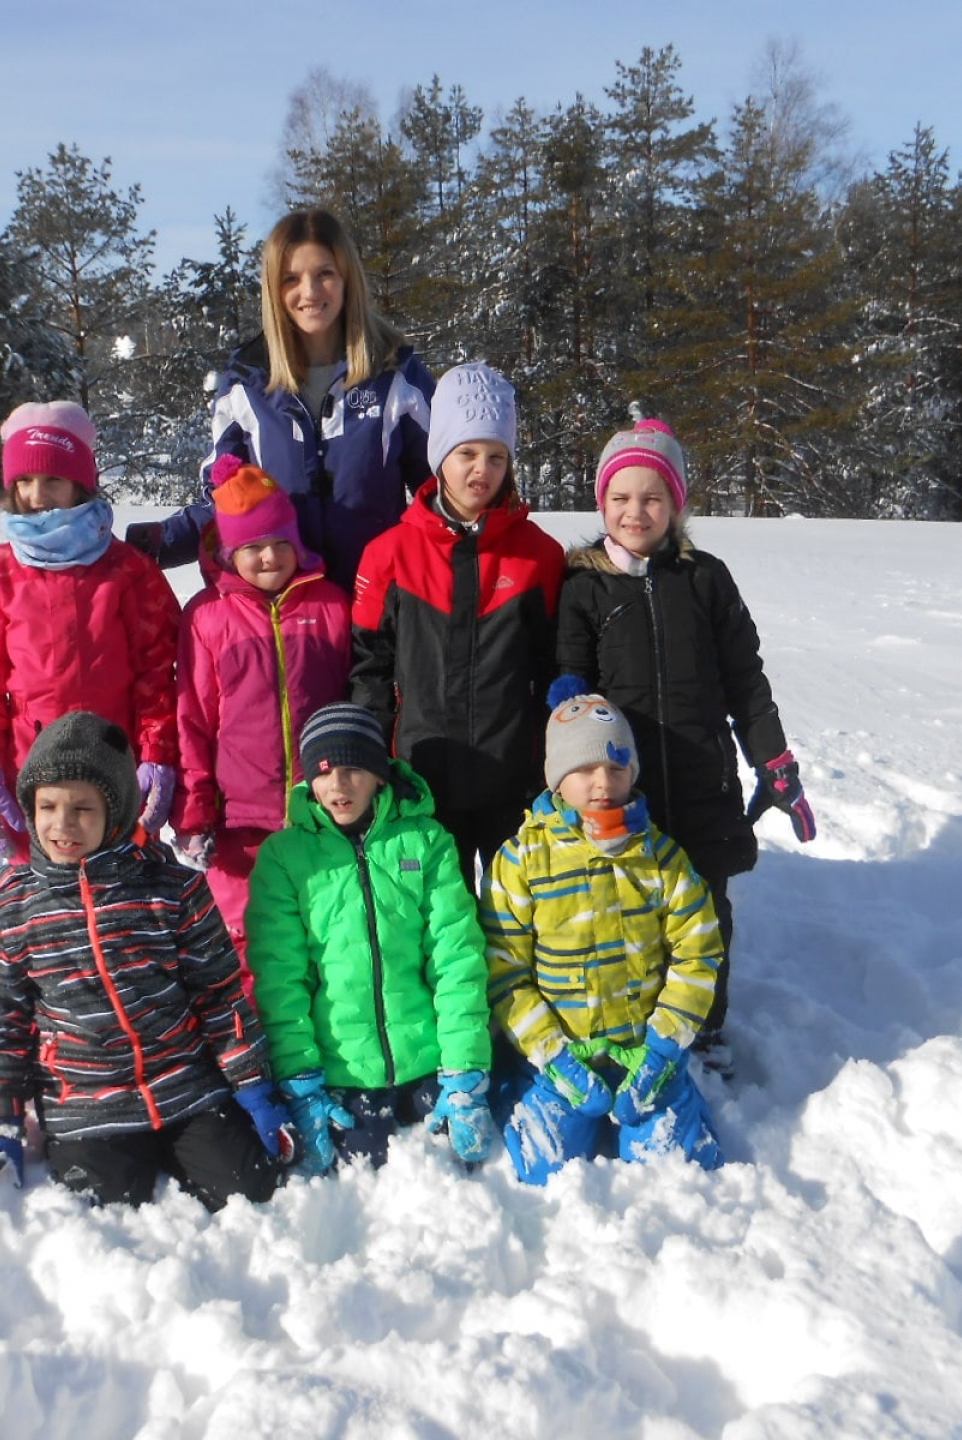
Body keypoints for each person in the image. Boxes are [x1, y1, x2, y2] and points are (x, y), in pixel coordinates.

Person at [0, 711, 296, 1210]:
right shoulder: (11, 906)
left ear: (114, 813)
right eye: (47, 806)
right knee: (109, 1205)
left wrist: (254, 1088)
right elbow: (1, 1019)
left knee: (250, 1187)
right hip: (86, 1101)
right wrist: (1, 1119)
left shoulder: (171, 889)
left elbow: (219, 994)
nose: (62, 824)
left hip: (184, 1084)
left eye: (82, 809)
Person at [551, 418, 816, 1046]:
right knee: (627, 914)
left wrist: (773, 759)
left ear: (677, 503)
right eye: (620, 498)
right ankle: (634, 1026)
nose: (635, 511)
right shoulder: (584, 585)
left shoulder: (707, 579)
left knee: (704, 915)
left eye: (652, 497)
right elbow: (570, 682)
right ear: (602, 503)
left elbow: (746, 681)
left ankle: (704, 1029)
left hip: (703, 780)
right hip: (623, 787)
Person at [484, 692, 726, 1185]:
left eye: (616, 767)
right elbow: (502, 966)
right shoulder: (522, 859)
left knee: (676, 1173)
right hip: (563, 1058)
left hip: (646, 1053)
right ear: (556, 776)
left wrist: (663, 1048)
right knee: (544, 1170)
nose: (601, 782)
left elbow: (697, 951)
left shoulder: (660, 856)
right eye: (583, 768)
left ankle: (678, 1094)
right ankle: (523, 1086)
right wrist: (550, 1054)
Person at [245, 704, 497, 1174]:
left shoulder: (427, 842)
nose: (337, 787)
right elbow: (281, 980)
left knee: (461, 1165)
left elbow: (456, 958)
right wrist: (300, 1081)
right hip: (345, 1069)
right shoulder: (284, 858)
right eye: (322, 773)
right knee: (361, 1166)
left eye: (352, 769)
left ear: (380, 775)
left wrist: (464, 1073)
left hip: (429, 1058)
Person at [125, 209, 435, 591]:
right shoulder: (247, 385)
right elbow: (226, 502)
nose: (310, 292)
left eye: (325, 273)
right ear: (273, 288)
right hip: (288, 620)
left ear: (347, 278)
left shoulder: (396, 374)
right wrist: (160, 541)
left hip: (378, 615)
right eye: (292, 278)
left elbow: (440, 494)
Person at [349, 362, 565, 891]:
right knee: (439, 932)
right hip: (422, 784)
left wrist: (551, 770)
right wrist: (372, 765)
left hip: (513, 785)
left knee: (514, 930)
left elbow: (558, 670)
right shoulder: (388, 556)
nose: (481, 470)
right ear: (439, 455)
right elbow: (368, 672)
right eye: (466, 453)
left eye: (496, 456)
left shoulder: (540, 557)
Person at [0, 401, 182, 862]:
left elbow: (158, 674)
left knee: (124, 882)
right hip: (32, 767)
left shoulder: (128, 572)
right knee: (46, 895)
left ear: (80, 483)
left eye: (53, 480)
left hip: (116, 763)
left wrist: (157, 753)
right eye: (24, 481)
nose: (38, 495)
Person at [171, 457, 353, 979]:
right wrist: (193, 810)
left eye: (279, 542)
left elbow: (355, 701)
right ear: (230, 553)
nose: (269, 556)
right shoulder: (207, 616)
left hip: (320, 812)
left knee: (324, 930)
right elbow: (193, 718)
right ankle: (253, 1043)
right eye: (252, 547)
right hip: (238, 821)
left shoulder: (332, 605)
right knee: (245, 937)